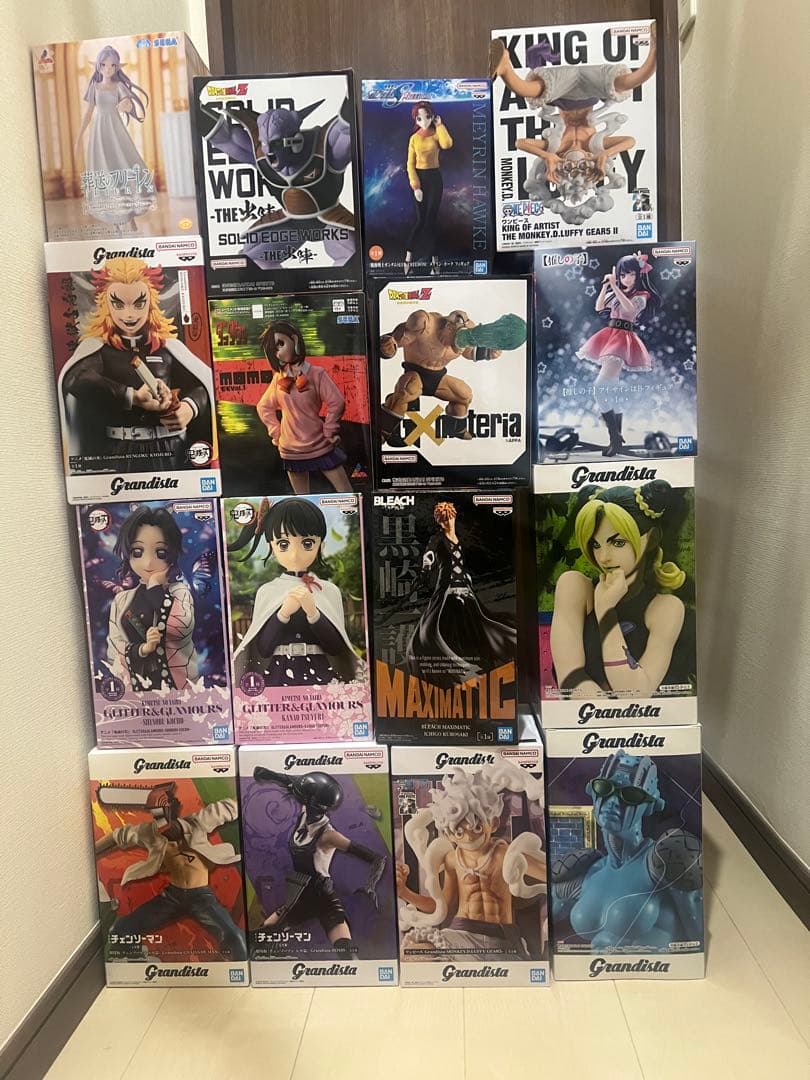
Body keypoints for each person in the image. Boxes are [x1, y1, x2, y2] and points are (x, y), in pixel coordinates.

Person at [59, 257, 214, 474]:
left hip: (171, 449)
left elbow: (205, 385)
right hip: (119, 451)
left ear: (151, 303)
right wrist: (133, 396)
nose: (129, 314)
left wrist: (190, 407)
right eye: (118, 304)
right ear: (105, 305)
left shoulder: (168, 348)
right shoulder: (98, 349)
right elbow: (77, 379)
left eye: (139, 304)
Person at [489, 28, 656, 226]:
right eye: (583, 167)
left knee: (530, 90)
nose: (576, 163)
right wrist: (605, 154)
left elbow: (520, 143)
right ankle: (655, 47)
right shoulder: (595, 146)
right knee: (625, 83)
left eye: (569, 168)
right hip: (591, 90)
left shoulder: (557, 147)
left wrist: (547, 156)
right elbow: (630, 141)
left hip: (561, 93)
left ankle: (504, 65)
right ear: (590, 162)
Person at [550, 480, 691, 699]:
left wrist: (606, 611)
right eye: (595, 544)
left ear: (651, 539)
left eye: (617, 543)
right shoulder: (575, 587)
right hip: (584, 717)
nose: (603, 557)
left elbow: (635, 693)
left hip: (645, 719)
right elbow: (569, 677)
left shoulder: (666, 608)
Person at [551, 751, 703, 951]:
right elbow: (544, 924)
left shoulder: (667, 859)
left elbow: (697, 938)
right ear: (593, 791)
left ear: (650, 805)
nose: (613, 802)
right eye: (604, 788)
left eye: (630, 795)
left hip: (657, 968)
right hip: (595, 969)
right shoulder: (585, 871)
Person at [396, 760, 546, 960]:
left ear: (493, 823)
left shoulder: (504, 854)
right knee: (413, 953)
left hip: (502, 939)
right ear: (448, 833)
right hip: (460, 934)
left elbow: (548, 875)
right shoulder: (452, 859)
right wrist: (404, 892)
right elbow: (441, 906)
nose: (468, 836)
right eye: (459, 831)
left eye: (476, 827)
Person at [95, 783, 247, 961]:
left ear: (174, 813)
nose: (166, 832)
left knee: (234, 937)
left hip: (201, 897)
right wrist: (91, 850)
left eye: (168, 827)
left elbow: (230, 807)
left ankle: (238, 967)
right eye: (161, 826)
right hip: (171, 897)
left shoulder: (198, 822)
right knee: (120, 929)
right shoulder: (150, 833)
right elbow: (118, 835)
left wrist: (256, 792)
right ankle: (133, 963)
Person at [252, 768, 386, 957]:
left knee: (346, 952)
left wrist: (370, 886)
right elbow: (294, 784)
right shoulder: (305, 813)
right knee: (262, 936)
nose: (298, 797)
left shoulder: (329, 835)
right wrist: (268, 774)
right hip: (299, 896)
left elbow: (377, 858)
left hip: (323, 897)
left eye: (304, 797)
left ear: (312, 802)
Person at [230, 497, 358, 687]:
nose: (295, 554)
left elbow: (336, 648)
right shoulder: (267, 591)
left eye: (307, 543)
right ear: (271, 547)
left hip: (321, 676)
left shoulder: (328, 590)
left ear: (321, 546)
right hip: (278, 675)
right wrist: (283, 613)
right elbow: (263, 649)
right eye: (283, 544)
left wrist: (313, 613)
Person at [407, 501, 516, 687]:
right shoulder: (437, 539)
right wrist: (425, 571)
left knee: (480, 626)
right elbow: (429, 557)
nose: (447, 522)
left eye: (449, 517)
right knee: (436, 631)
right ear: (439, 521)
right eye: (443, 519)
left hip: (466, 590)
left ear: (454, 516)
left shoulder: (459, 538)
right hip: (446, 592)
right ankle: (457, 674)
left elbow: (461, 563)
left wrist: (467, 579)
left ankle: (491, 664)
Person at [378, 307, 526, 443]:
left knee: (465, 395)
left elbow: (469, 352)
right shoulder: (425, 323)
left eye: (461, 344)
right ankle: (383, 431)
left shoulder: (468, 332)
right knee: (407, 390)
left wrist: (488, 353)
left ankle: (456, 429)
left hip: (438, 378)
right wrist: (388, 345)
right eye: (456, 340)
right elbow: (397, 339)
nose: (456, 347)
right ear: (448, 327)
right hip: (415, 372)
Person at [577, 252, 662, 455]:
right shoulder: (617, 291)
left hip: (623, 340)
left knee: (600, 387)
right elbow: (599, 306)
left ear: (638, 275)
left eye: (631, 274)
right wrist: (607, 286)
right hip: (610, 335)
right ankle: (616, 440)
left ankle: (615, 437)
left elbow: (630, 309)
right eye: (623, 275)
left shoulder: (642, 295)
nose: (627, 279)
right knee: (612, 390)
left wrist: (615, 286)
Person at [106, 505, 197, 692]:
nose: (148, 563)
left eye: (160, 553)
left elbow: (181, 628)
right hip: (135, 687)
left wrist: (155, 585)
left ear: (172, 554)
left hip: (176, 689)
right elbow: (113, 649)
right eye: (137, 552)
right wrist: (142, 649)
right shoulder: (122, 600)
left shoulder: (179, 592)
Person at [256, 319, 352, 493]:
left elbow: (337, 402)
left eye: (281, 344)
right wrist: (276, 431)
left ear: (294, 339)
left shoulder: (316, 374)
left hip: (319, 443)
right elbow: (263, 407)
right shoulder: (279, 379)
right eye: (274, 349)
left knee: (346, 494)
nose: (278, 352)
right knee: (302, 500)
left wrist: (330, 429)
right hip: (290, 448)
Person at [74, 45, 155, 232]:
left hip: (116, 131)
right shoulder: (94, 87)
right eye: (104, 65)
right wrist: (79, 137)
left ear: (117, 67)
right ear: (98, 66)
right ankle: (116, 219)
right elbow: (88, 113)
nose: (108, 69)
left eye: (112, 65)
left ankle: (129, 215)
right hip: (99, 133)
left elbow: (127, 103)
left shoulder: (119, 86)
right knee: (106, 170)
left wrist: (125, 105)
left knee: (122, 167)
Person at [404, 101, 453, 276]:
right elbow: (410, 164)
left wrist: (440, 125)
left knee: (431, 221)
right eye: (419, 118)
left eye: (427, 117)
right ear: (415, 119)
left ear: (432, 116)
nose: (424, 121)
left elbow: (447, 144)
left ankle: (434, 262)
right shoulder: (414, 138)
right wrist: (416, 186)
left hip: (434, 179)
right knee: (420, 221)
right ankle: (408, 257)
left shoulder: (436, 134)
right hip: (419, 178)